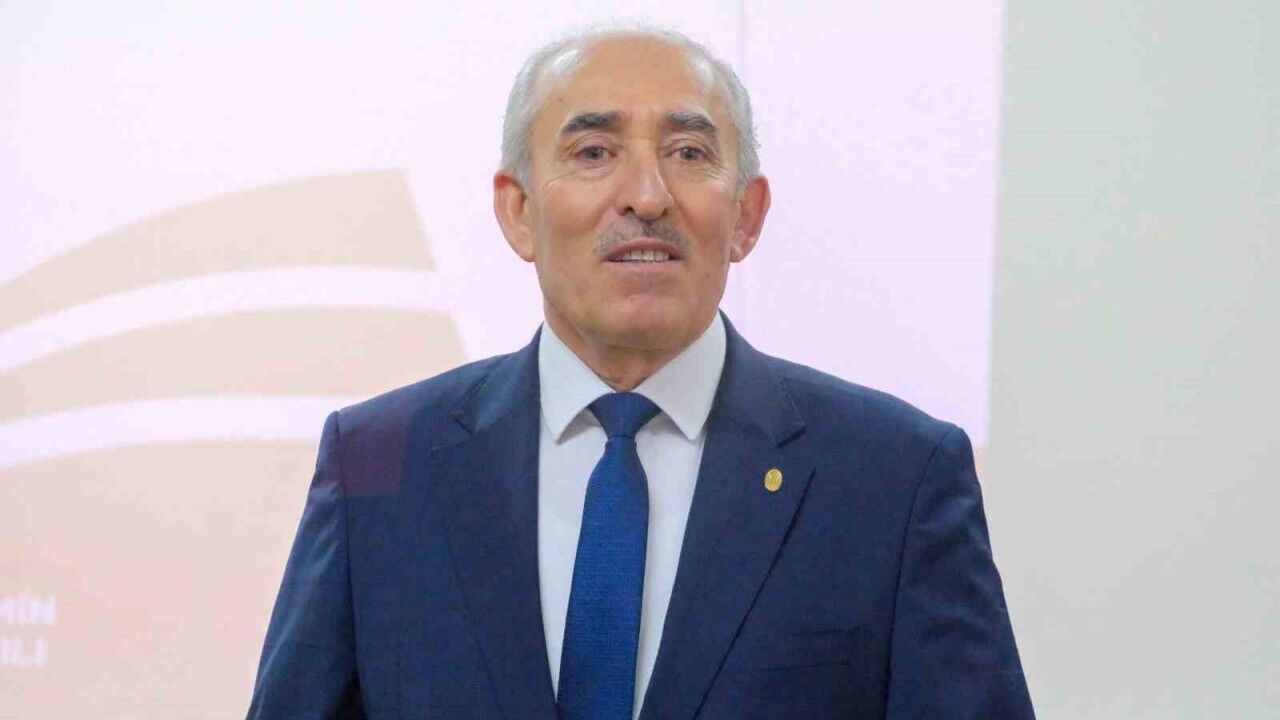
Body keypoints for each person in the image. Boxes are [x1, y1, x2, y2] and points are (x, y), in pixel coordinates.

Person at [247, 26, 1035, 720]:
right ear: (518, 211)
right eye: (594, 153)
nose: (648, 197)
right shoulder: (379, 461)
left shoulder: (895, 478)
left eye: (689, 154)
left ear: (747, 215)